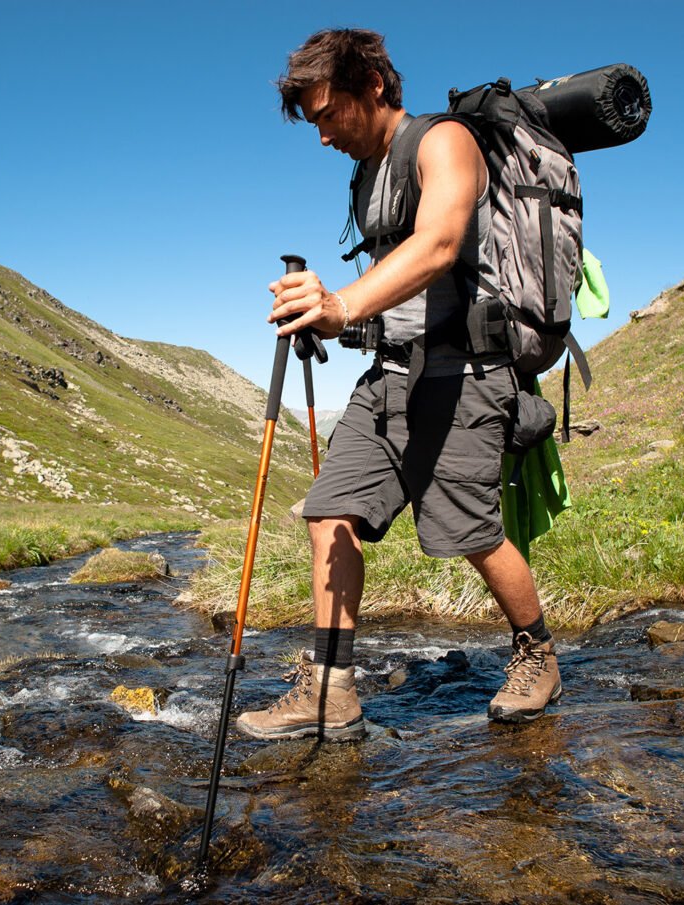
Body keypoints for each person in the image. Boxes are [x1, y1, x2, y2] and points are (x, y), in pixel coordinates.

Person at [235, 28, 562, 742]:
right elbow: (401, 290)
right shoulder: (365, 176)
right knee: (330, 512)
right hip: (388, 379)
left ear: (373, 87)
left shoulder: (443, 142)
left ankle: (537, 653)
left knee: (470, 533)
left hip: (465, 378)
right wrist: (329, 321)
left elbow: (441, 243)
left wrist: (344, 302)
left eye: (328, 115)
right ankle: (329, 689)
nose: (323, 137)